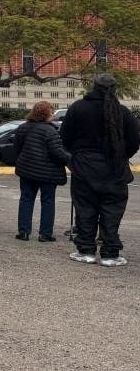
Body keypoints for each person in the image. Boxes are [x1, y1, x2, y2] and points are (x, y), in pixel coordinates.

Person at [60, 74, 140, 266]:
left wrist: (76, 157)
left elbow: (64, 137)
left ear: (93, 87)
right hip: (114, 169)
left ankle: (86, 250)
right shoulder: (123, 112)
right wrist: (120, 156)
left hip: (85, 167)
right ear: (115, 89)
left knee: (85, 210)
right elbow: (134, 141)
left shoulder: (78, 108)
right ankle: (110, 253)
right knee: (112, 211)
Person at [11, 101, 71, 242]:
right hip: (48, 173)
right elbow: (57, 152)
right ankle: (45, 233)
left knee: (26, 199)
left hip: (27, 170)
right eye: (51, 111)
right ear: (46, 114)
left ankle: (23, 231)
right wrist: (71, 159)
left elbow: (17, 148)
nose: (53, 114)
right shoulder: (50, 131)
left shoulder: (23, 128)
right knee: (48, 201)